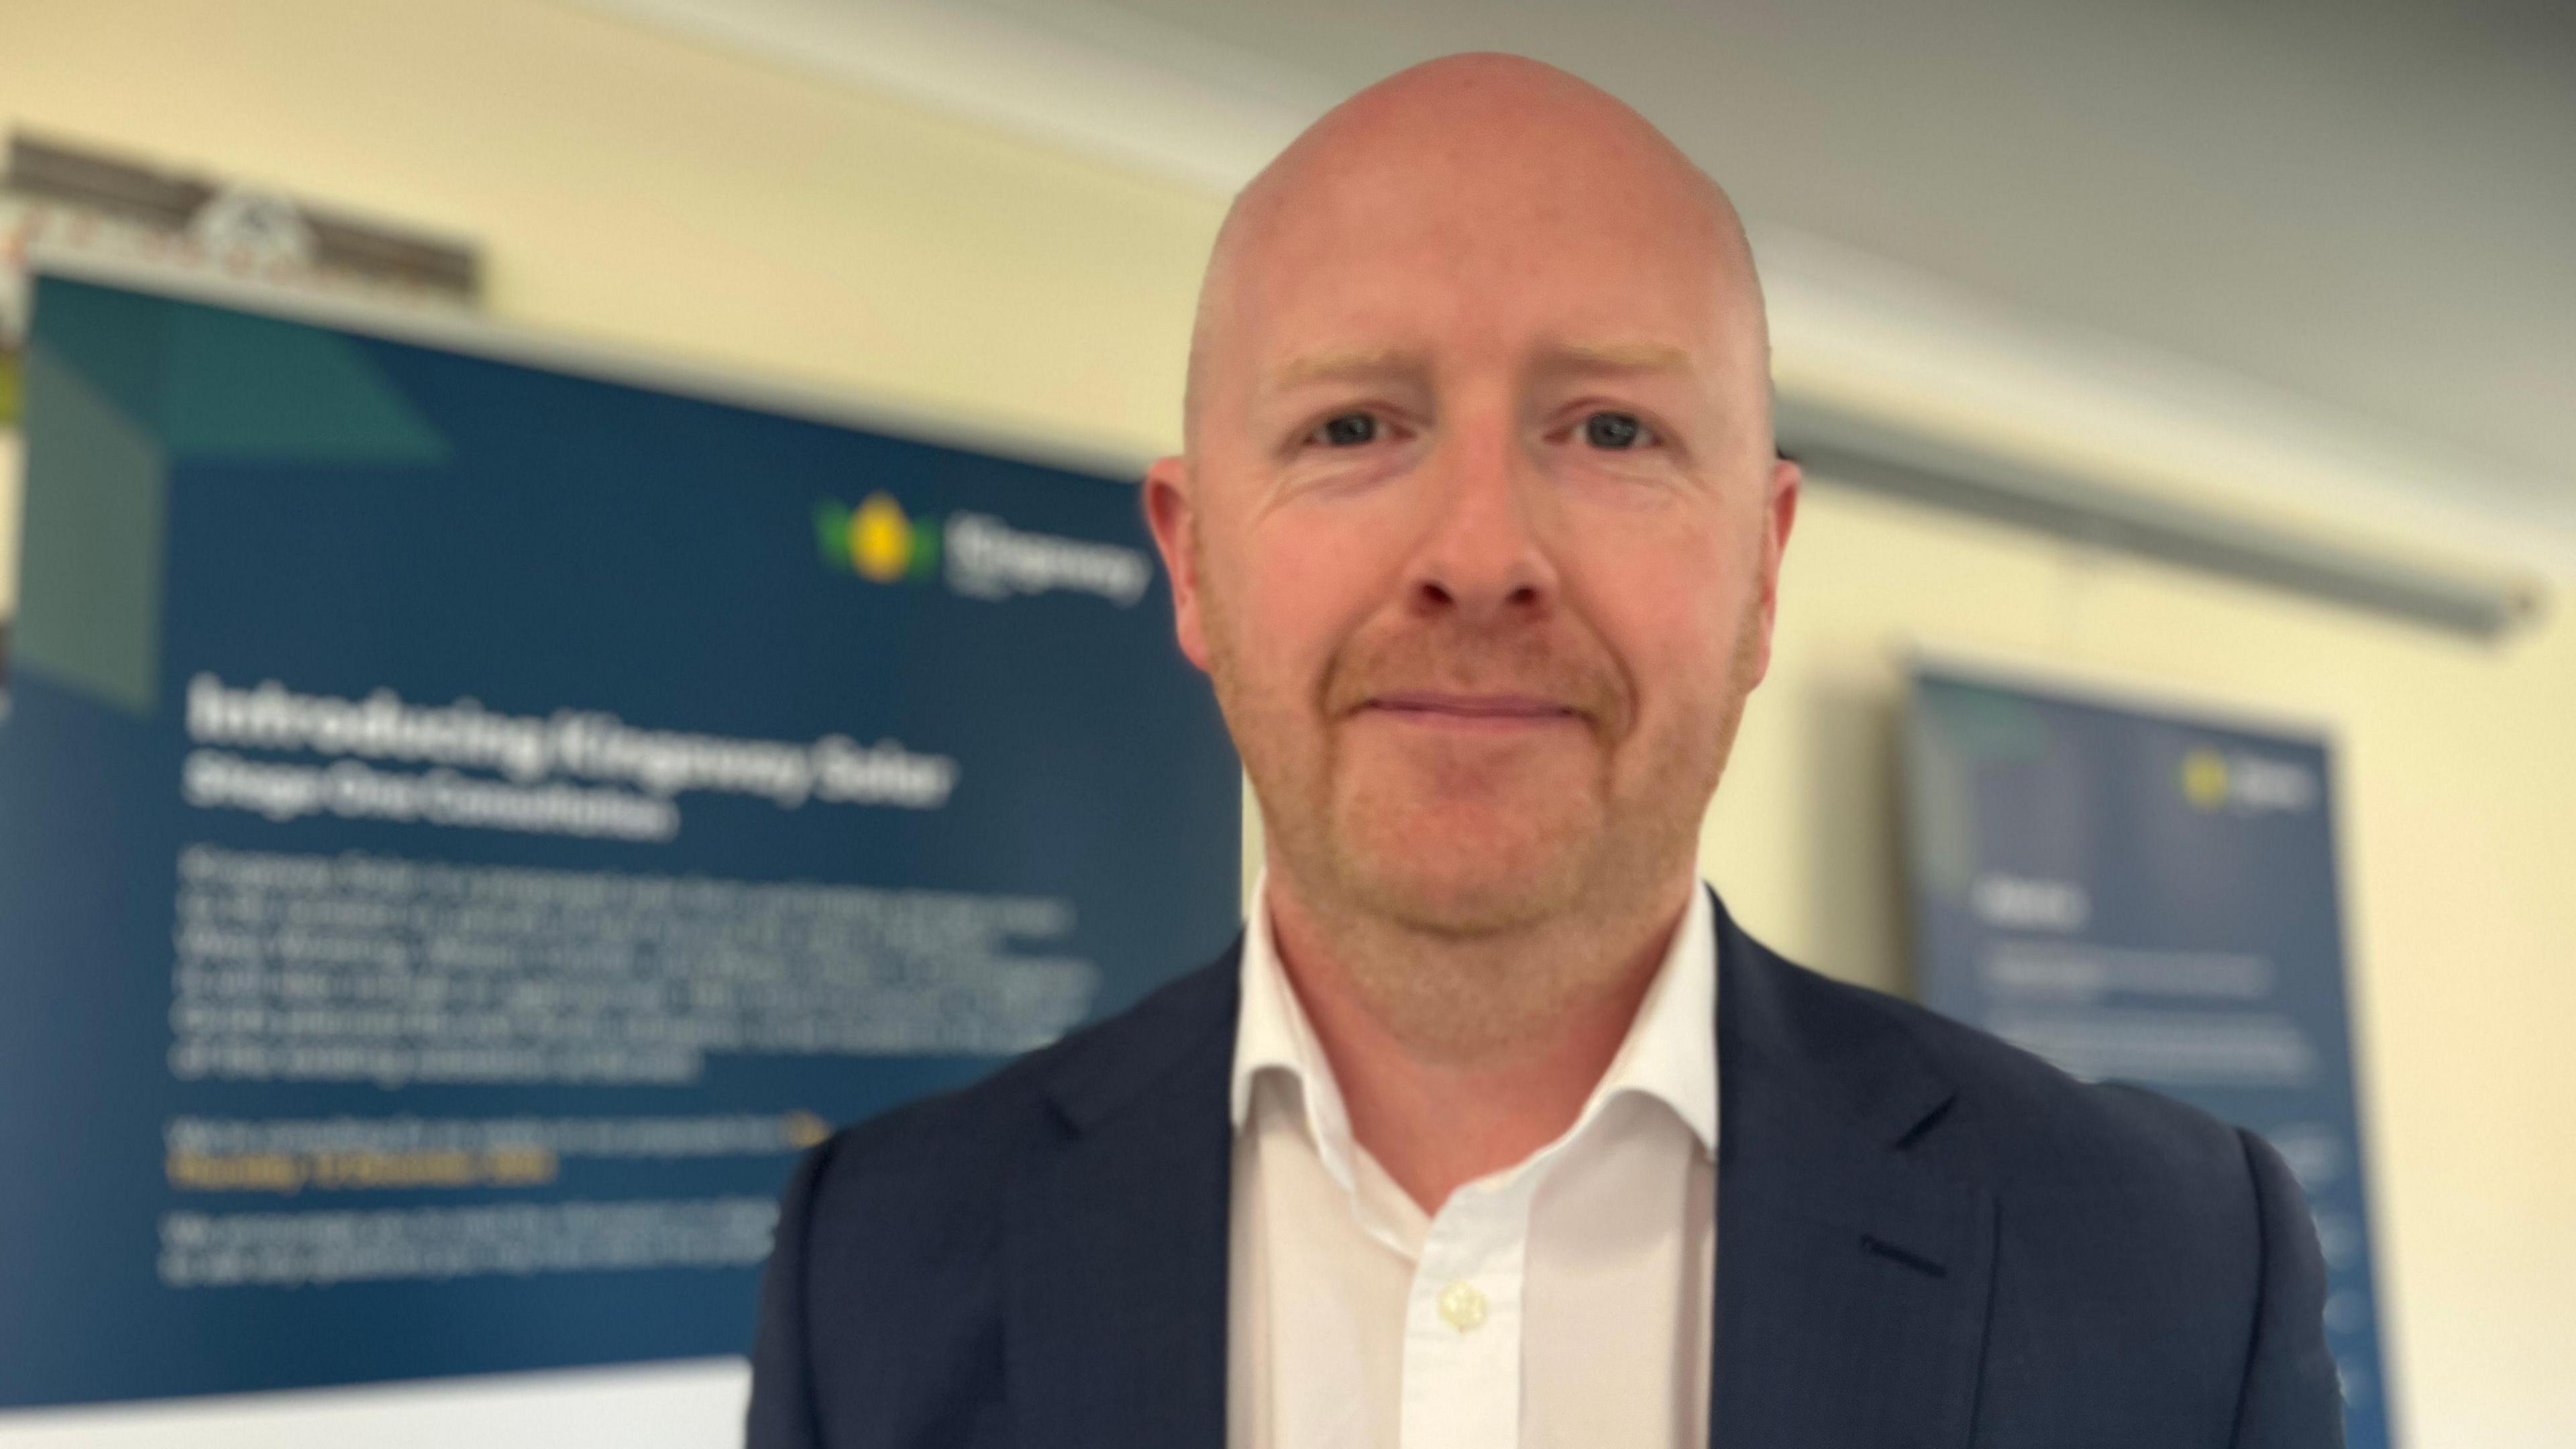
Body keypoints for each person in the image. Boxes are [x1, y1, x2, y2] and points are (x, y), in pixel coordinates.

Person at [746, 52, 2343, 1449]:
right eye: (1353, 427)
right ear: (1194, 563)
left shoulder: (2171, 1265)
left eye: (1612, 430)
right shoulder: (877, 1261)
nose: (1482, 550)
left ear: (1764, 567)